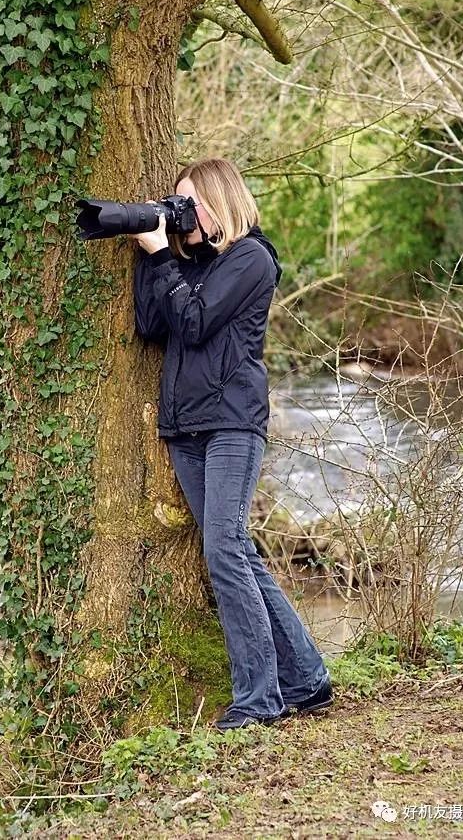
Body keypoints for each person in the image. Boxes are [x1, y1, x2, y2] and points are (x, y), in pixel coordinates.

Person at [130, 158, 332, 731]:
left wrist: (164, 257)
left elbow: (193, 325)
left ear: (222, 201)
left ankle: (259, 698)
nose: (185, 215)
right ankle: (307, 678)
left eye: (192, 203)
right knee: (236, 552)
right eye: (179, 204)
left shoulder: (251, 259)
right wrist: (157, 253)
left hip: (232, 423)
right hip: (184, 428)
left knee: (224, 550)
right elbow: (151, 325)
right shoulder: (190, 263)